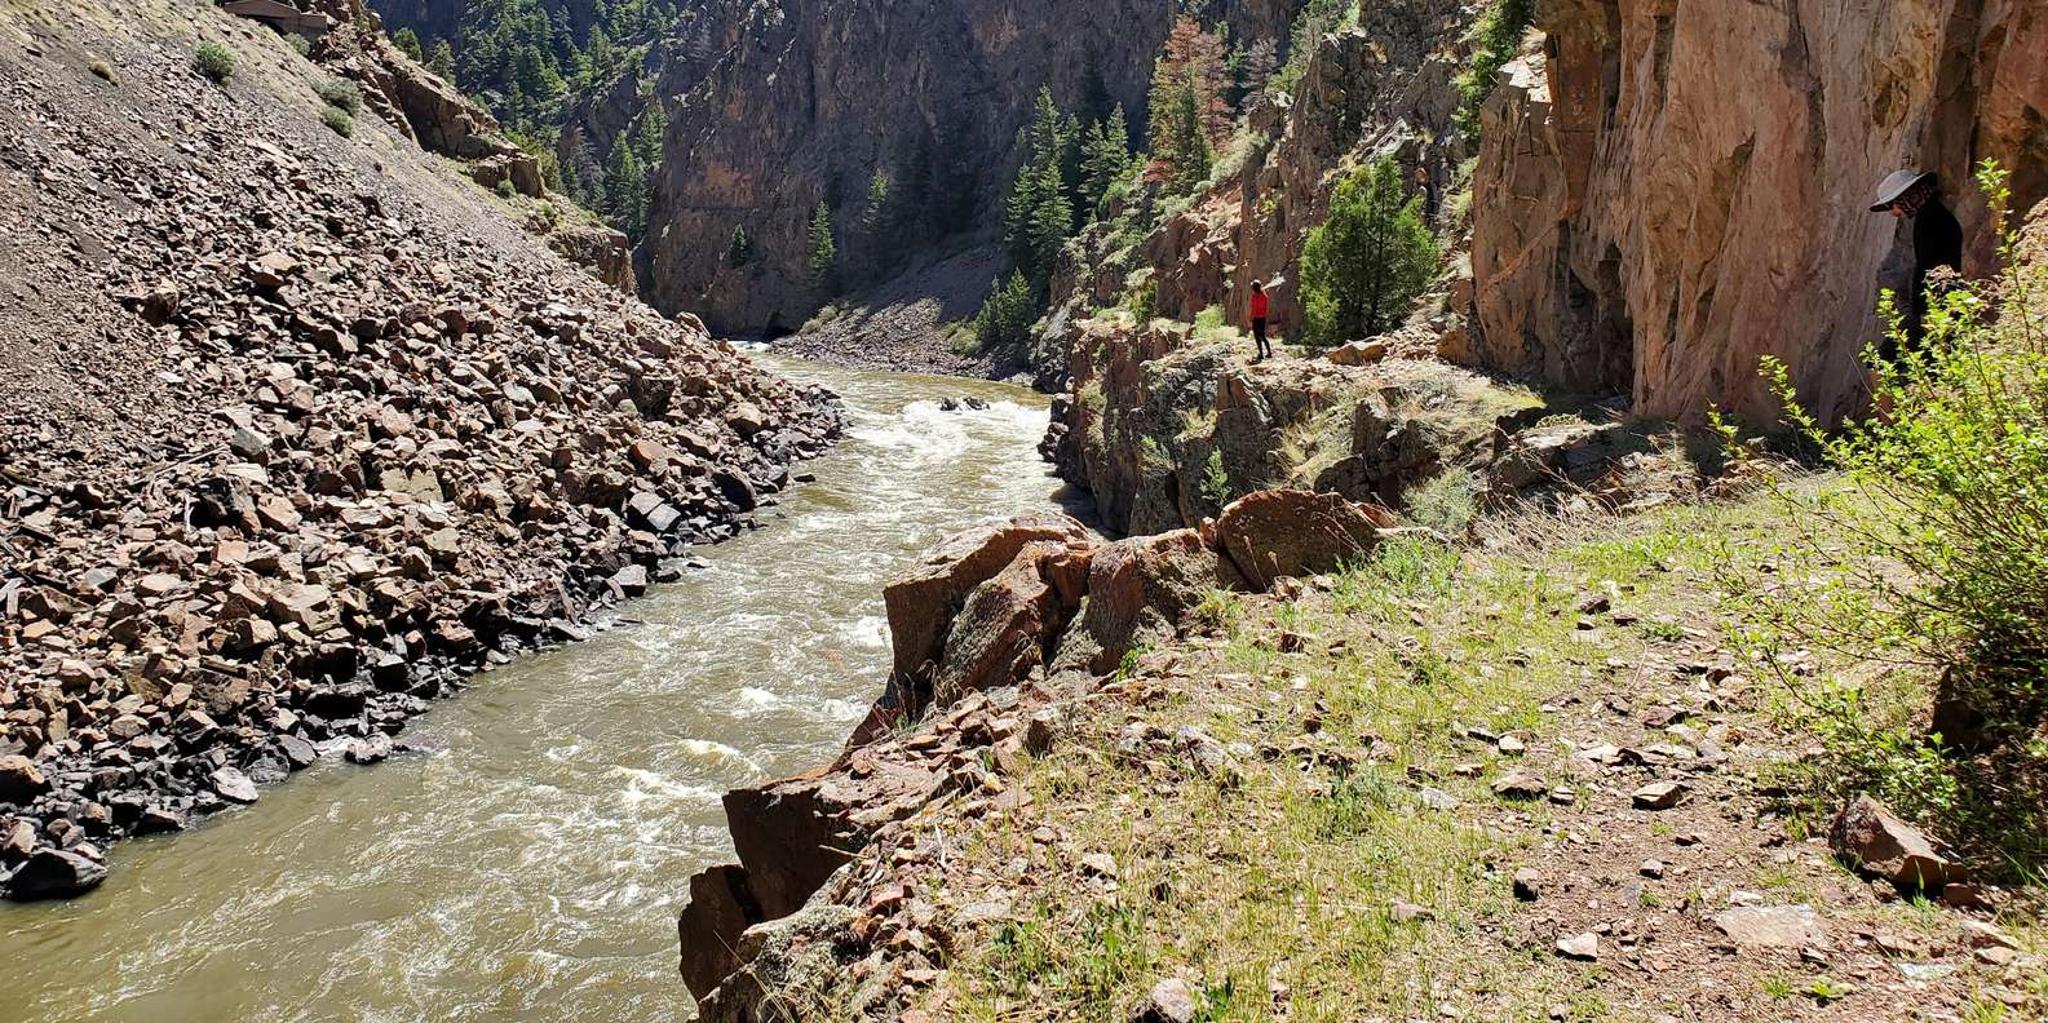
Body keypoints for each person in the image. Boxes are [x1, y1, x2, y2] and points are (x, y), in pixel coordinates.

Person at [1870, 169, 1963, 353]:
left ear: (1906, 196)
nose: (1893, 212)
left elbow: (1928, 268)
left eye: (1892, 205)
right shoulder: (1931, 215)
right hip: (1938, 305)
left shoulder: (1930, 219)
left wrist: (1922, 312)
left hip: (1937, 307)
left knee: (1884, 358)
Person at [1248, 279, 1272, 362]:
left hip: (1256, 318)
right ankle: (1269, 352)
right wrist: (1265, 315)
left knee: (1257, 336)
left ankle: (1261, 354)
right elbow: (1267, 308)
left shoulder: (1254, 296)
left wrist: (1251, 318)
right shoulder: (1265, 296)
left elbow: (1254, 308)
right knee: (1263, 336)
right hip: (1263, 318)